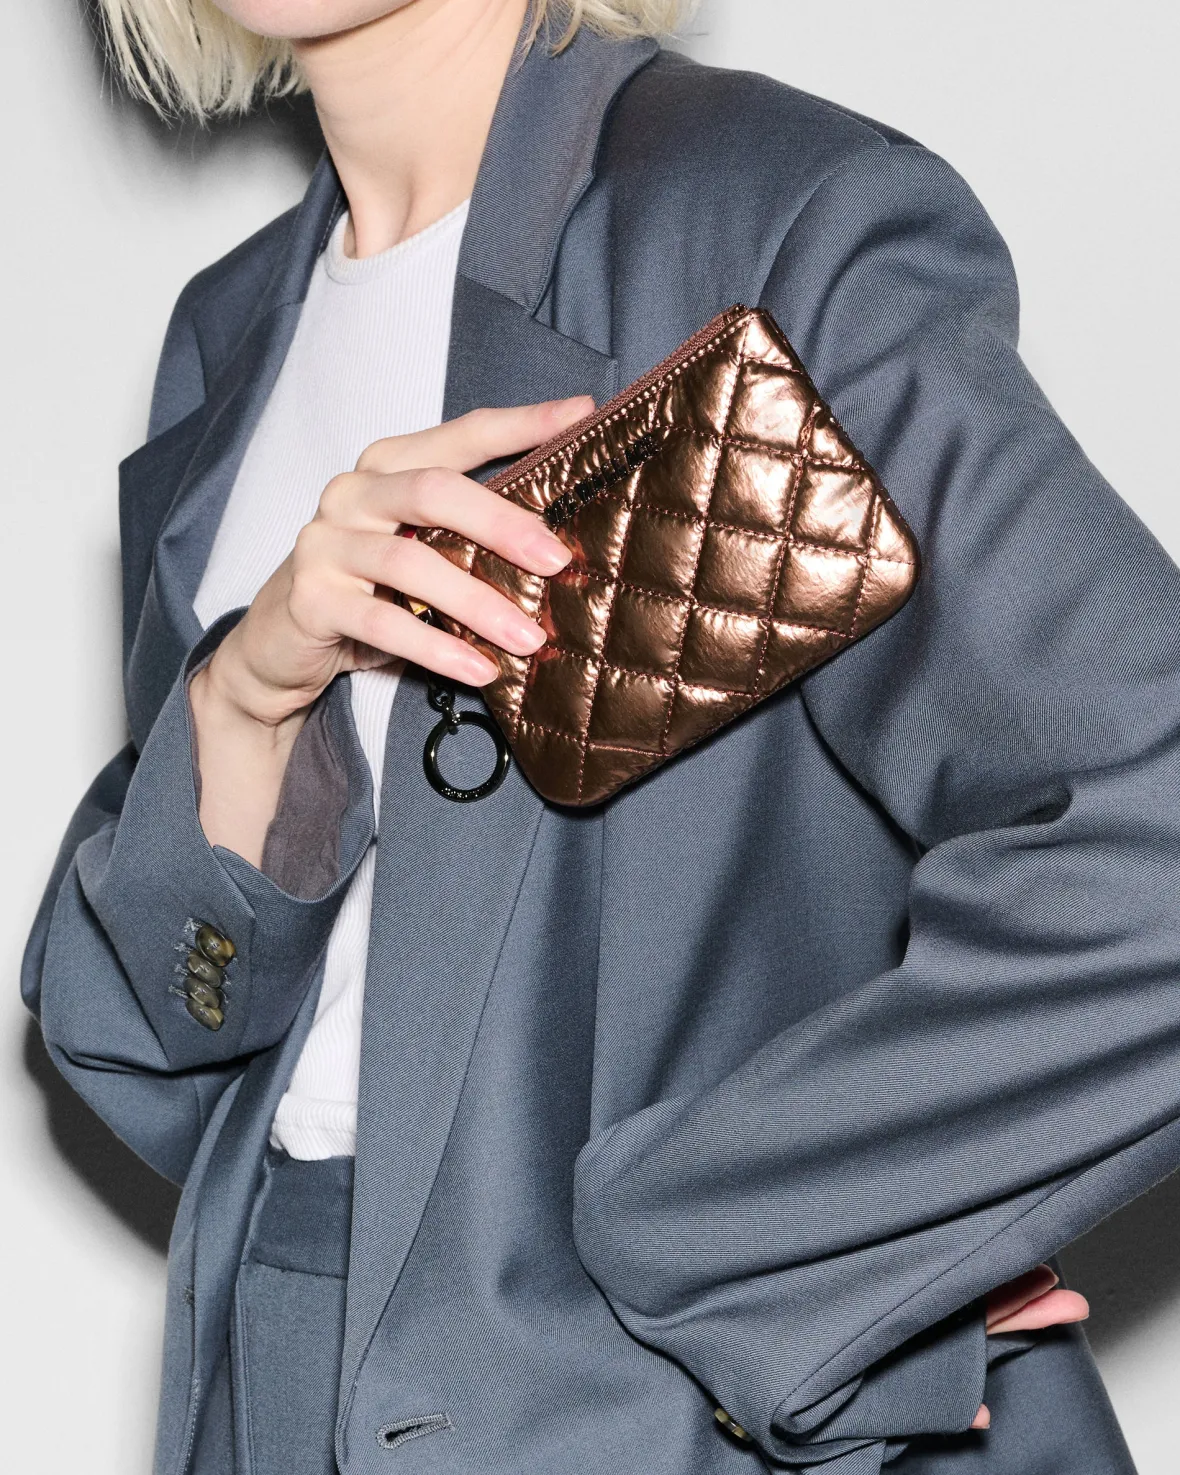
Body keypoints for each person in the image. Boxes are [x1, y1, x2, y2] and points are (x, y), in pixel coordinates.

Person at [23, 1, 1180, 1471]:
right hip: (271, 1376)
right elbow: (155, 1044)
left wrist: (780, 1244)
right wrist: (245, 706)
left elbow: (1153, 833)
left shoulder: (766, 220)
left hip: (647, 1412)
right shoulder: (230, 333)